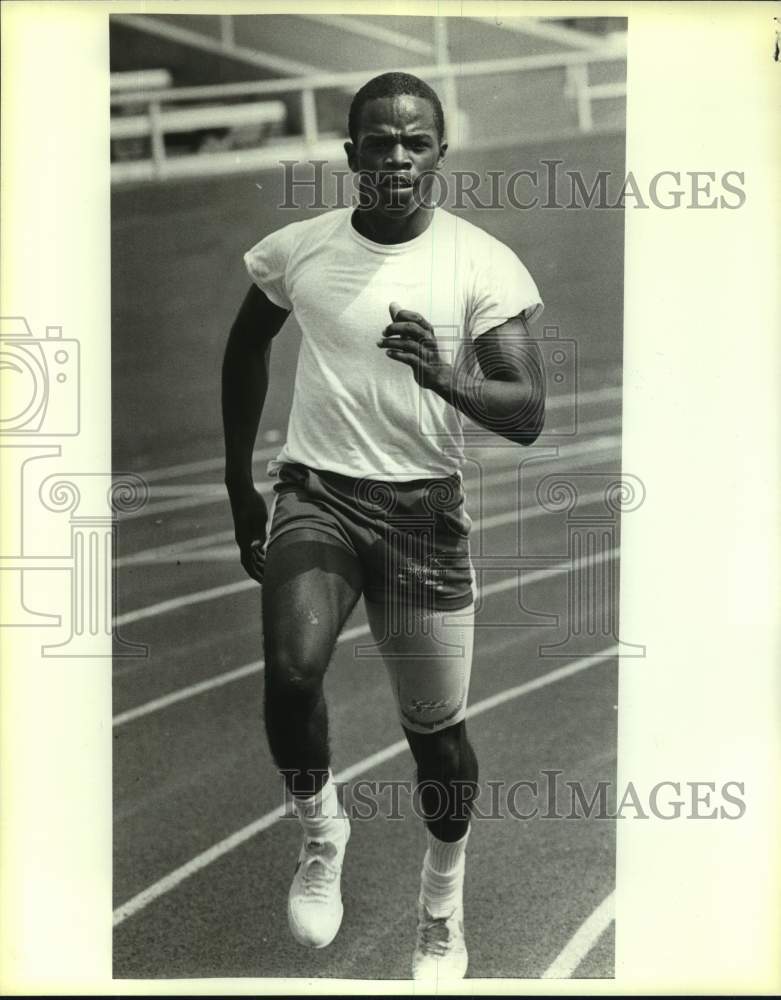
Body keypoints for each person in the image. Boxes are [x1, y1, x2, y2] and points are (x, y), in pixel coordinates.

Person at [222, 71, 545, 981]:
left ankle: (440, 903)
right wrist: (241, 489)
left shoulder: (482, 264)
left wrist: (444, 377)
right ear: (350, 153)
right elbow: (246, 343)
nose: (395, 157)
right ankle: (323, 832)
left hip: (422, 516)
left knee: (435, 737)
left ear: (440, 152)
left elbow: (525, 410)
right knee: (291, 674)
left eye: (414, 141)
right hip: (317, 495)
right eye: (378, 141)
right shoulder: (300, 249)